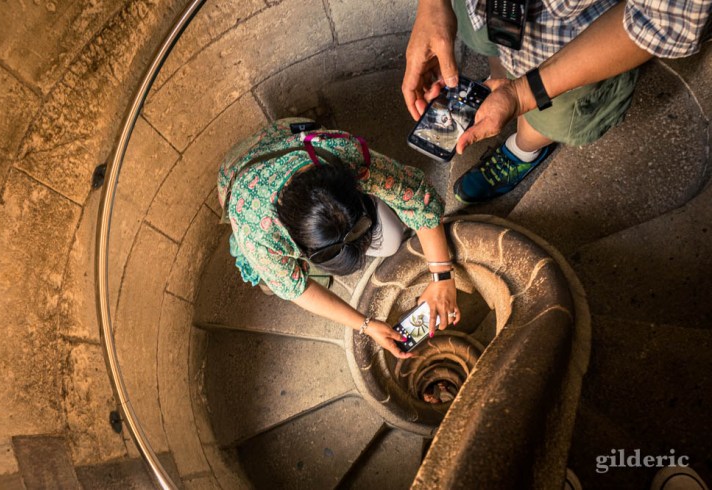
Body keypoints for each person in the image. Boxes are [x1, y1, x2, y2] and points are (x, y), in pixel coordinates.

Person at [402, 0, 711, 203]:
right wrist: (432, 7)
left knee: (546, 118)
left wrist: (523, 94)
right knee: (494, 47)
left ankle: (523, 151)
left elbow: (662, 22)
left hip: (574, 40)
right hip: (490, 8)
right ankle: (504, 77)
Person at [217, 118, 460, 359]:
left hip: (288, 139)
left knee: (392, 240)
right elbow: (295, 289)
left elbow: (419, 198)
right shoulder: (258, 232)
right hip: (239, 171)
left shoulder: (344, 155)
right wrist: (366, 325)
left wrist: (441, 276)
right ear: (298, 244)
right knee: (272, 279)